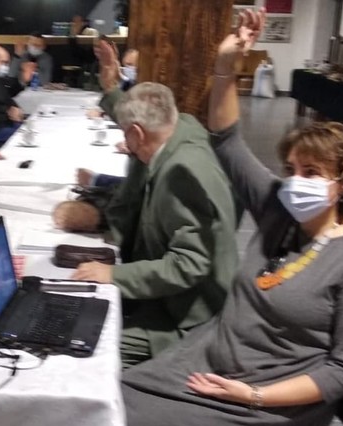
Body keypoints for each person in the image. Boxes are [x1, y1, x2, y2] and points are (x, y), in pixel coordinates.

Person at [121, 10, 343, 426]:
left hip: (268, 403)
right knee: (110, 399)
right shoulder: (279, 209)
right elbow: (227, 141)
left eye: (312, 173)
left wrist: (253, 396)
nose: (296, 181)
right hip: (212, 358)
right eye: (292, 169)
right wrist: (225, 64)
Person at [64, 53, 239, 367]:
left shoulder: (181, 173)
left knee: (83, 346)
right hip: (175, 299)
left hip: (186, 318)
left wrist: (114, 274)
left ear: (136, 134)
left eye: (126, 135)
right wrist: (112, 90)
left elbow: (188, 264)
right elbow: (139, 118)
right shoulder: (181, 127)